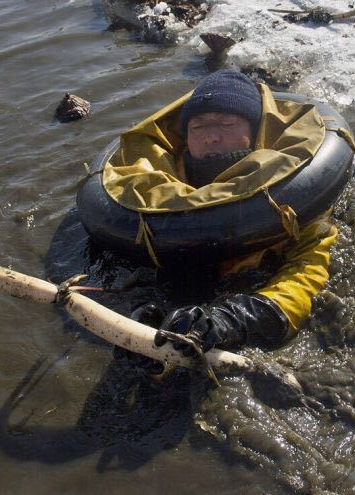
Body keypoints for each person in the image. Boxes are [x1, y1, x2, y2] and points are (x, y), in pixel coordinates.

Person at [107, 69, 340, 357]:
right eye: (198, 127)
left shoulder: (294, 194)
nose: (211, 138)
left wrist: (235, 319)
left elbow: (306, 272)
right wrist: (143, 304)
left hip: (251, 291)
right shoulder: (154, 188)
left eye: (227, 124)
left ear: (255, 132)